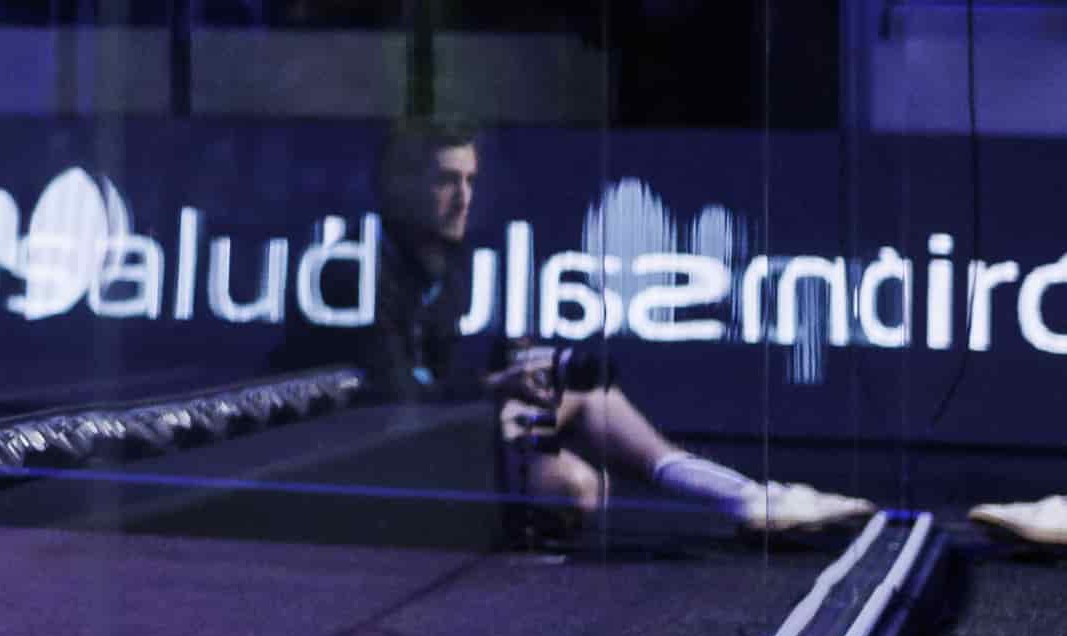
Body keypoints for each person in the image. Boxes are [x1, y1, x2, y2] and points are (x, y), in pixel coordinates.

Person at [313, 126, 874, 543]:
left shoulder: (448, 267)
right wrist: (496, 388)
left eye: (469, 180)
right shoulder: (358, 268)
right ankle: (745, 497)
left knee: (585, 421)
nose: (462, 197)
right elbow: (392, 405)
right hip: (369, 462)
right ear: (398, 186)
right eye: (445, 180)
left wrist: (512, 371)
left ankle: (749, 498)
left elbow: (436, 373)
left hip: (435, 435)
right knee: (579, 487)